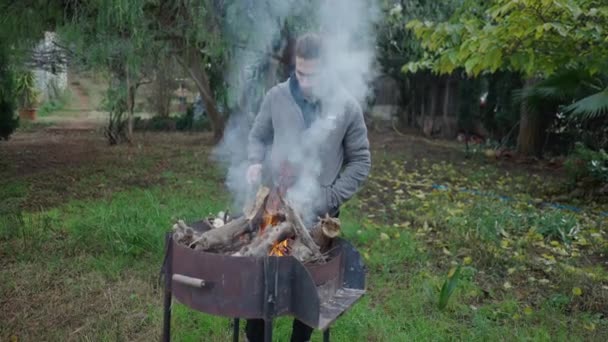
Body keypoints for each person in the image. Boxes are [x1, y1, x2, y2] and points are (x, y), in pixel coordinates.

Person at [245, 33, 371, 342]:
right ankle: (256, 334)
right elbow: (258, 137)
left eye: (312, 75)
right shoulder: (276, 97)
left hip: (318, 214)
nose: (304, 81)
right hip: (276, 205)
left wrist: (331, 195)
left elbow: (361, 160)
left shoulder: (346, 106)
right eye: (299, 73)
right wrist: (254, 161)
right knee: (262, 276)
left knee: (309, 287)